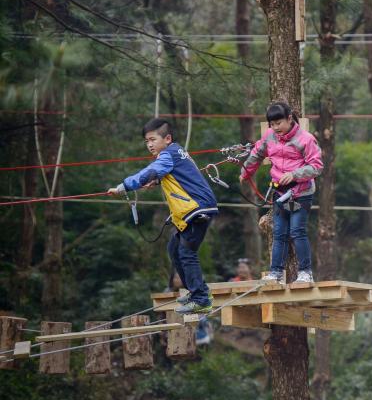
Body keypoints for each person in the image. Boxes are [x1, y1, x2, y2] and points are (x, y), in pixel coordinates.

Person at [108, 118, 218, 314]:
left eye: (152, 139)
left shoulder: (167, 154)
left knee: (186, 252)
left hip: (196, 208)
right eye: (146, 141)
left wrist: (123, 186)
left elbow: (149, 171)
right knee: (174, 248)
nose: (149, 144)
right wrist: (158, 179)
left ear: (167, 138)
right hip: (194, 208)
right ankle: (197, 293)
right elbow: (177, 174)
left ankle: (201, 298)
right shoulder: (175, 152)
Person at [239, 101, 323, 285]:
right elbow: (257, 153)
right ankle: (276, 272)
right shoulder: (270, 136)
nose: (275, 128)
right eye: (272, 124)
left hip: (300, 193)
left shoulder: (306, 139)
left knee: (297, 231)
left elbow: (316, 167)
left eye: (279, 123)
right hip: (280, 194)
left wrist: (294, 174)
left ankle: (305, 272)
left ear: (290, 119)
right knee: (279, 233)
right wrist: (246, 172)